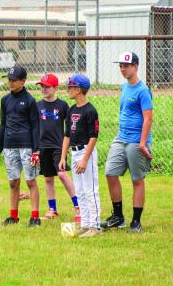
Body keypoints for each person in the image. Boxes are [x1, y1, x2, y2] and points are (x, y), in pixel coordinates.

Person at [101, 52, 153, 233]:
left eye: (126, 65)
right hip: (121, 138)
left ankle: (136, 221)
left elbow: (148, 119)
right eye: (121, 66)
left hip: (136, 141)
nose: (123, 69)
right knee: (110, 172)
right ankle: (118, 217)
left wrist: (142, 143)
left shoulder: (143, 90)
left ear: (136, 66)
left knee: (137, 180)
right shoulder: (124, 87)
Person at [0, 66, 42, 227]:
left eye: (14, 80)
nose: (11, 83)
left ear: (23, 81)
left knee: (30, 181)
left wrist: (36, 150)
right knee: (13, 182)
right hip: (9, 145)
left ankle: (35, 217)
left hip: (26, 146)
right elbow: (2, 125)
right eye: (9, 79)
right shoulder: (5, 100)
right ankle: (13, 216)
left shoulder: (29, 101)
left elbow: (35, 126)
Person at [59, 74, 101, 238]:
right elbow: (67, 135)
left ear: (78, 90)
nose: (68, 89)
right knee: (80, 191)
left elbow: (93, 137)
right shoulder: (71, 110)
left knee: (90, 189)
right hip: (74, 152)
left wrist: (85, 160)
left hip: (86, 153)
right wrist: (63, 157)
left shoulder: (90, 111)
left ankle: (95, 226)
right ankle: (85, 224)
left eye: (70, 87)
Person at [36, 73, 80, 221]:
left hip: (58, 146)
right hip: (43, 146)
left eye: (47, 87)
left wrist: (67, 146)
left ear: (55, 88)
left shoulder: (62, 106)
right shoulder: (38, 106)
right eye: (42, 86)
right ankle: (52, 209)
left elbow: (69, 129)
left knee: (61, 174)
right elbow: (35, 128)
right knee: (48, 178)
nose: (43, 89)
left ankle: (78, 206)